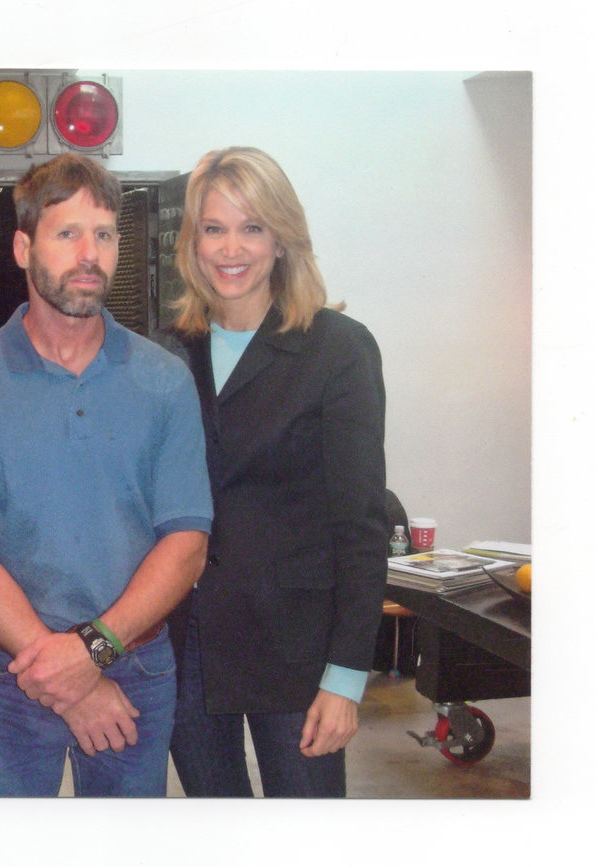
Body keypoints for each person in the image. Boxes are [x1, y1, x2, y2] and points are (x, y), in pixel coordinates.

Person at [0, 154, 214, 797]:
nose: (90, 254)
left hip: (138, 666)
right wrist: (65, 670)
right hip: (15, 670)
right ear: (22, 246)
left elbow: (187, 544)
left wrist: (89, 653)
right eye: (67, 234)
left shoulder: (163, 381)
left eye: (105, 235)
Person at [164, 146, 387, 798]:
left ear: (283, 238)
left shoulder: (337, 348)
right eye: (214, 228)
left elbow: (361, 526)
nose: (232, 247)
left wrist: (345, 678)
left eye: (252, 227)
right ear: (193, 242)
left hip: (297, 655)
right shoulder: (170, 352)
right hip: (192, 648)